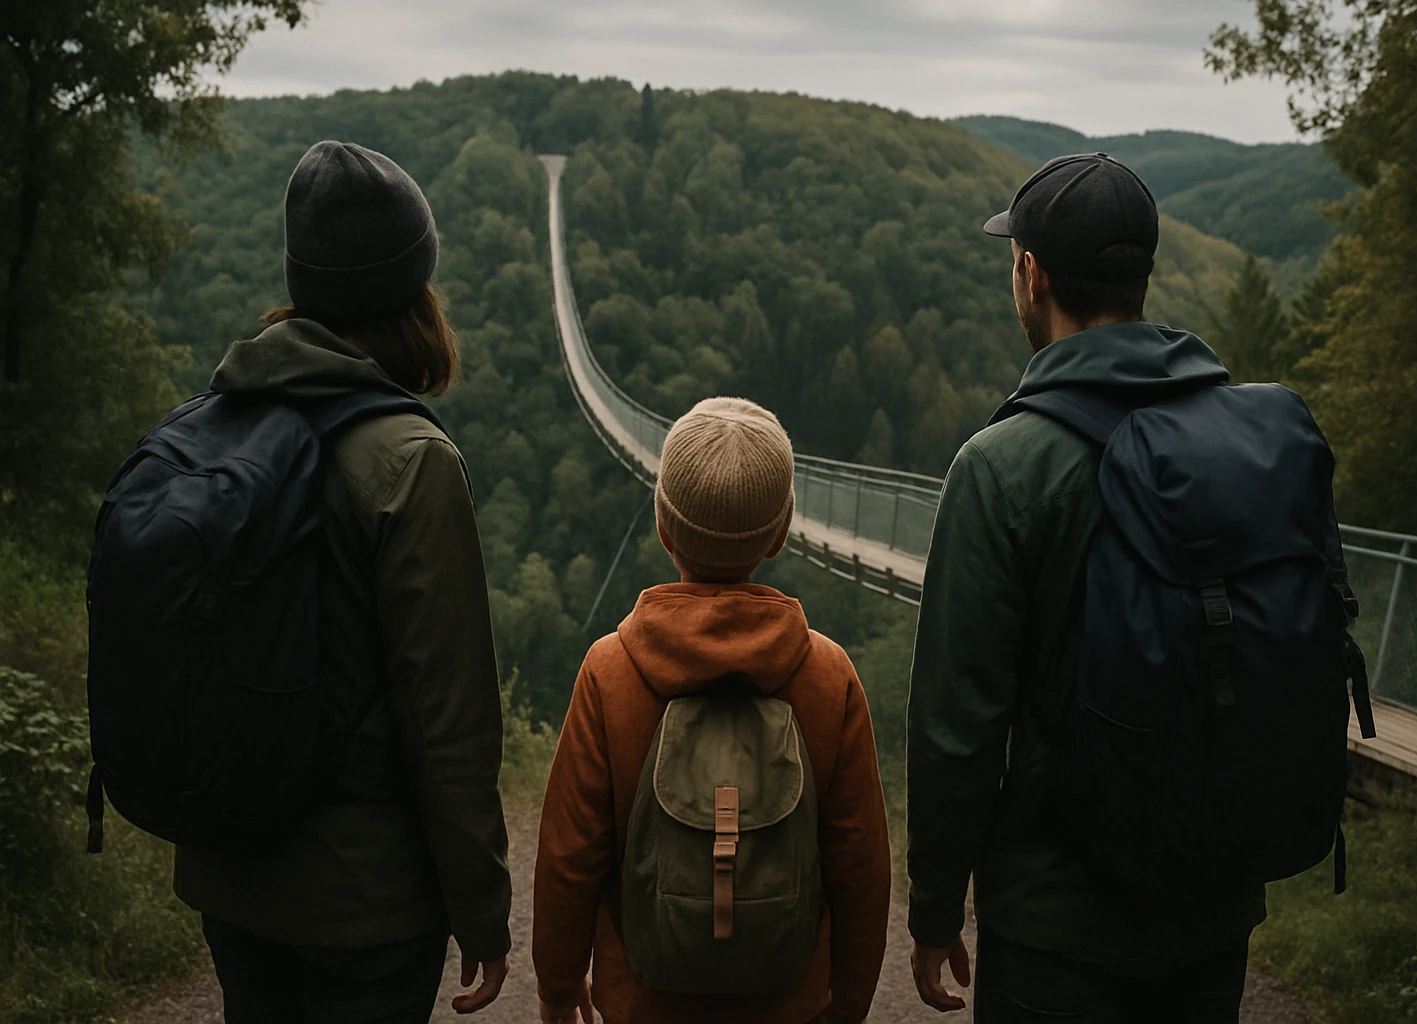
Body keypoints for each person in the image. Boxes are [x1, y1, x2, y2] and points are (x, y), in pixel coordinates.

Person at [905, 154, 1268, 1021]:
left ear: (1030, 275)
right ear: (1142, 275)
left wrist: (933, 909)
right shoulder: (1246, 442)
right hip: (1211, 908)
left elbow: (959, 725)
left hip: (1055, 928)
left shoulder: (1000, 468)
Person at [173, 141, 513, 1022]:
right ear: (414, 288)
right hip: (366, 908)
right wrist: (483, 913)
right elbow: (449, 721)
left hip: (234, 876)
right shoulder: (412, 460)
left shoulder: (212, 426)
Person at [532, 397, 891, 1024]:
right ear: (782, 535)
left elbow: (571, 855)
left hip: (642, 999)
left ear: (663, 528)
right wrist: (850, 997)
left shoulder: (611, 671)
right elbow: (859, 862)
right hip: (789, 1002)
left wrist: (559, 985)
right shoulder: (828, 677)